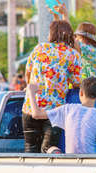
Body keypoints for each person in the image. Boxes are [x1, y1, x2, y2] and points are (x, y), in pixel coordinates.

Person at [22, 20, 81, 153]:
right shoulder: (72, 54)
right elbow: (77, 82)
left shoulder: (39, 48)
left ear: (52, 33)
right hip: (55, 110)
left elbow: (28, 73)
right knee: (48, 149)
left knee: (30, 147)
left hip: (31, 106)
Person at [26, 77, 96, 154]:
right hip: (91, 160)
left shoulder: (67, 109)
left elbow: (36, 114)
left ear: (81, 93)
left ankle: (56, 153)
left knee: (48, 148)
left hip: (71, 159)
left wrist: (31, 92)